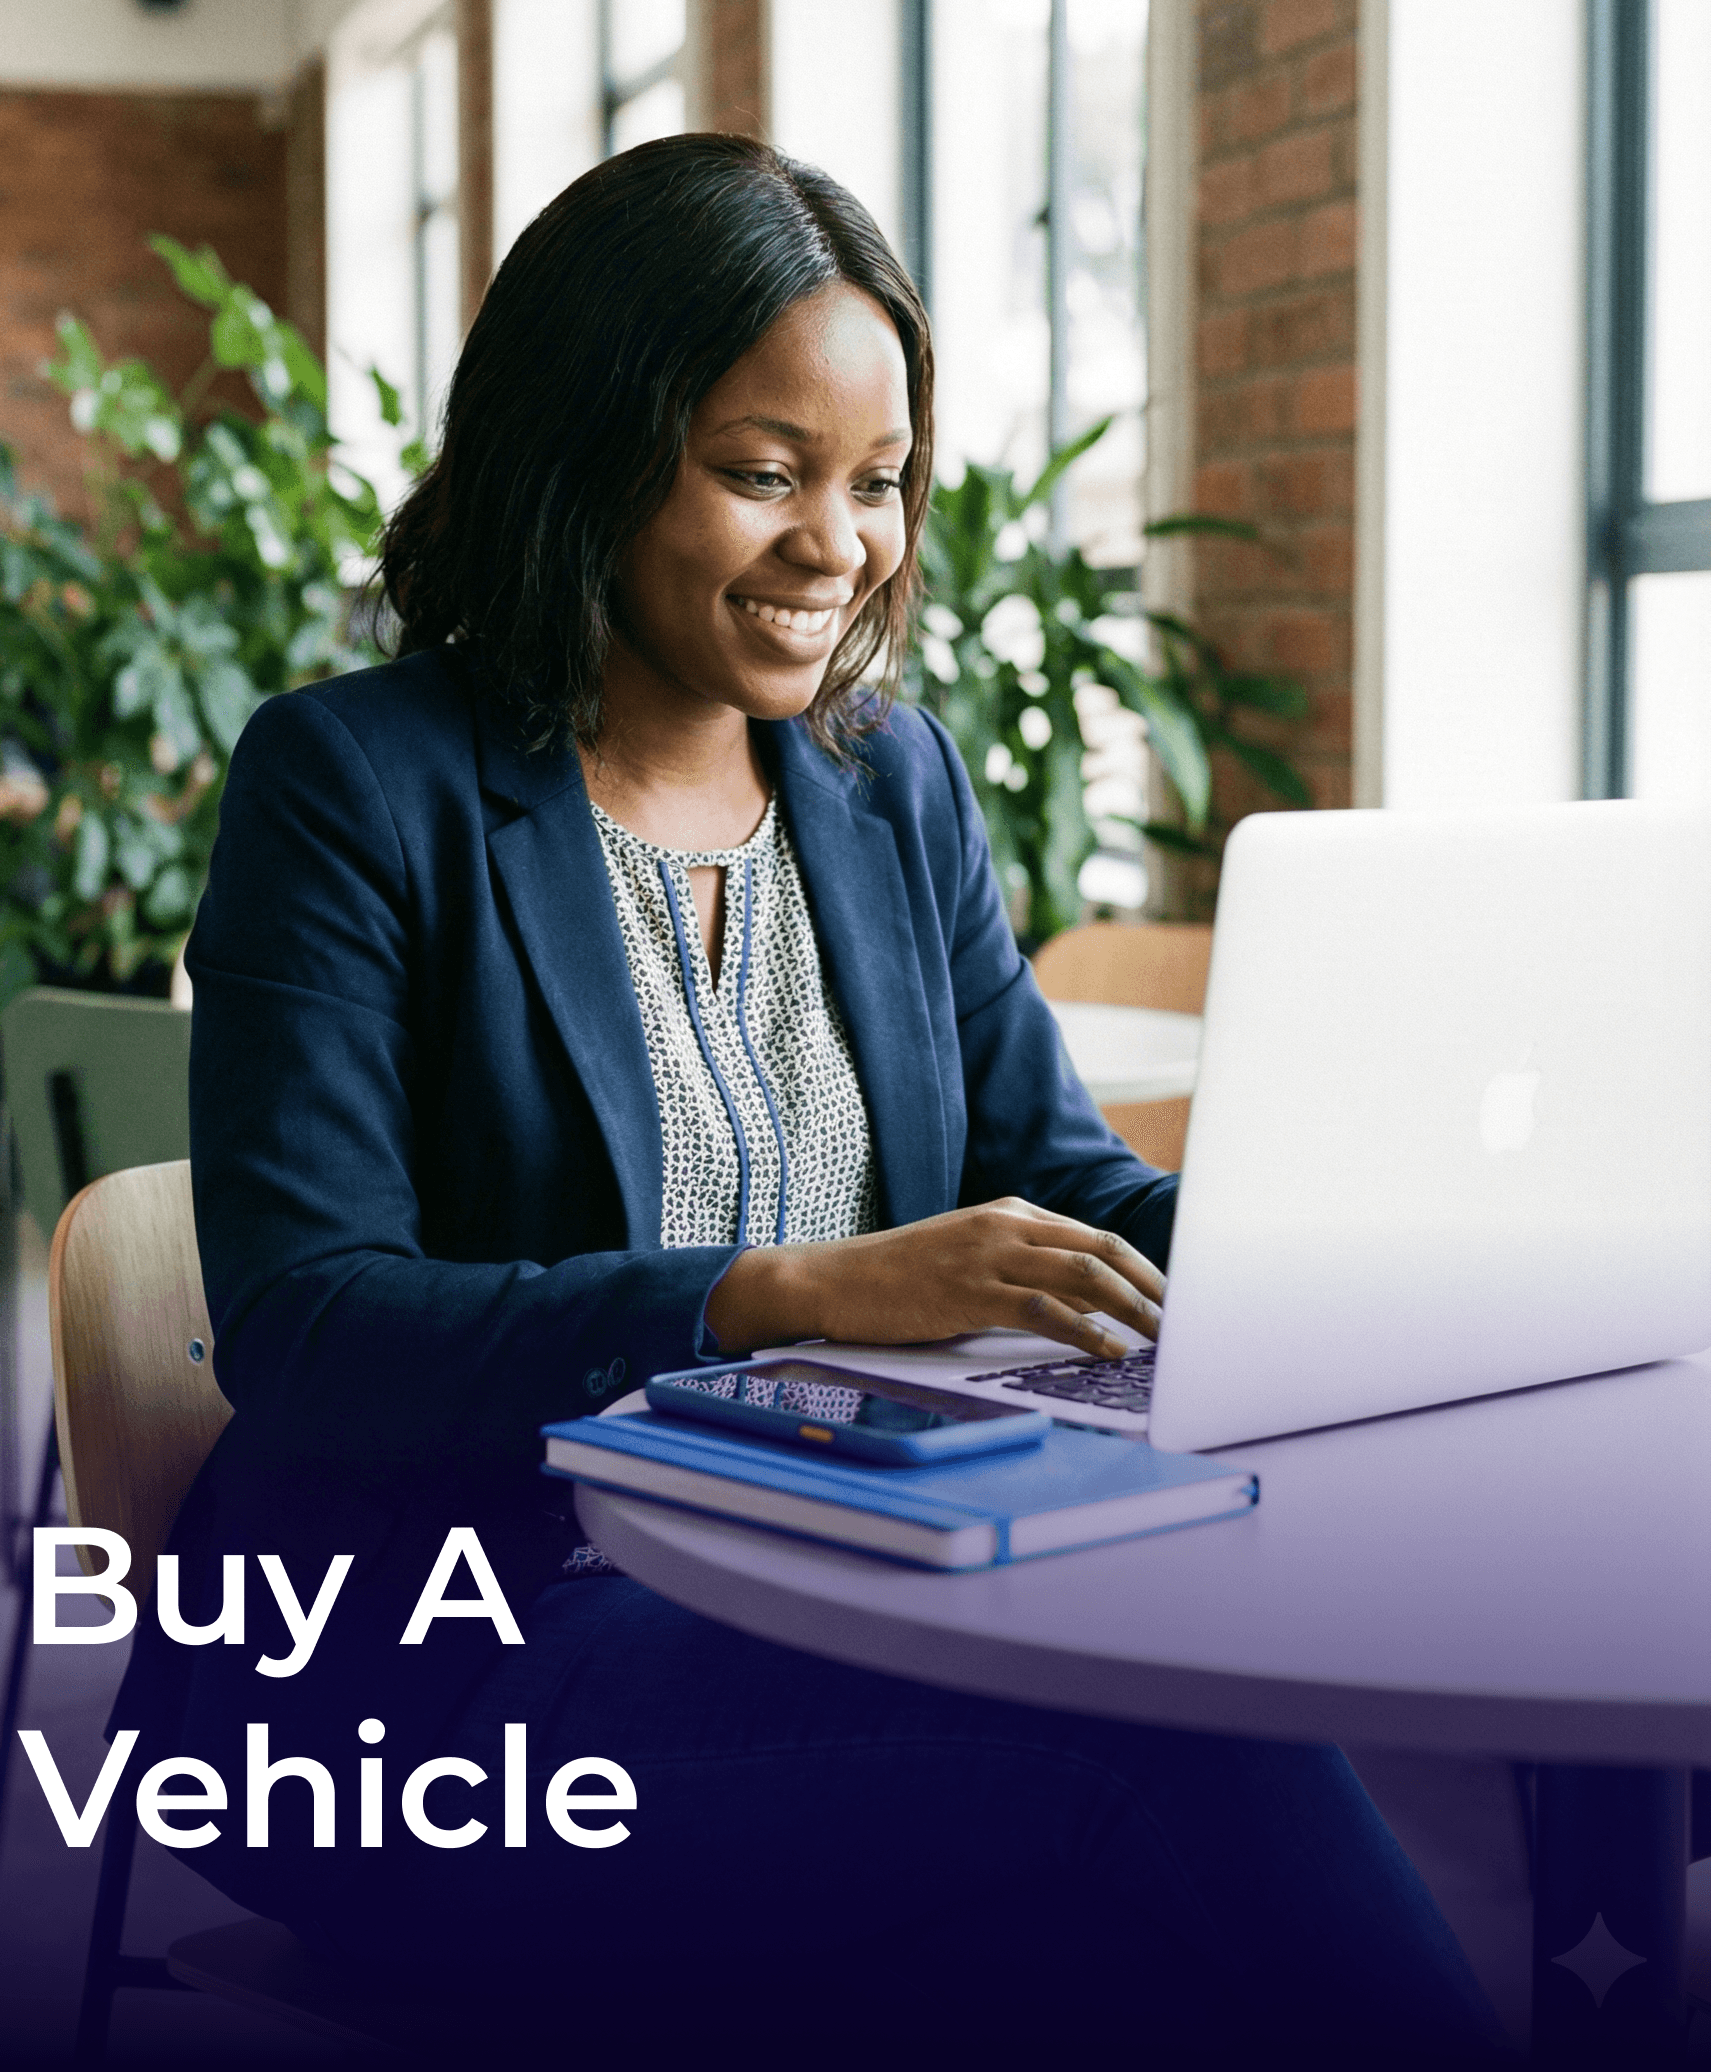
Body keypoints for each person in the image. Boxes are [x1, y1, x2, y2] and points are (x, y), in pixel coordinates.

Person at [114, 135, 1502, 2063]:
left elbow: (1052, 1180)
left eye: (877, 485)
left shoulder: (890, 784)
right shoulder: (354, 785)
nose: (839, 546)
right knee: (1162, 1756)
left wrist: (1347, 1266)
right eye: (763, 475)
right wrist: (781, 1290)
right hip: (452, 1677)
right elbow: (310, 1327)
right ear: (582, 452)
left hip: (855, 1596)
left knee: (1149, 1898)